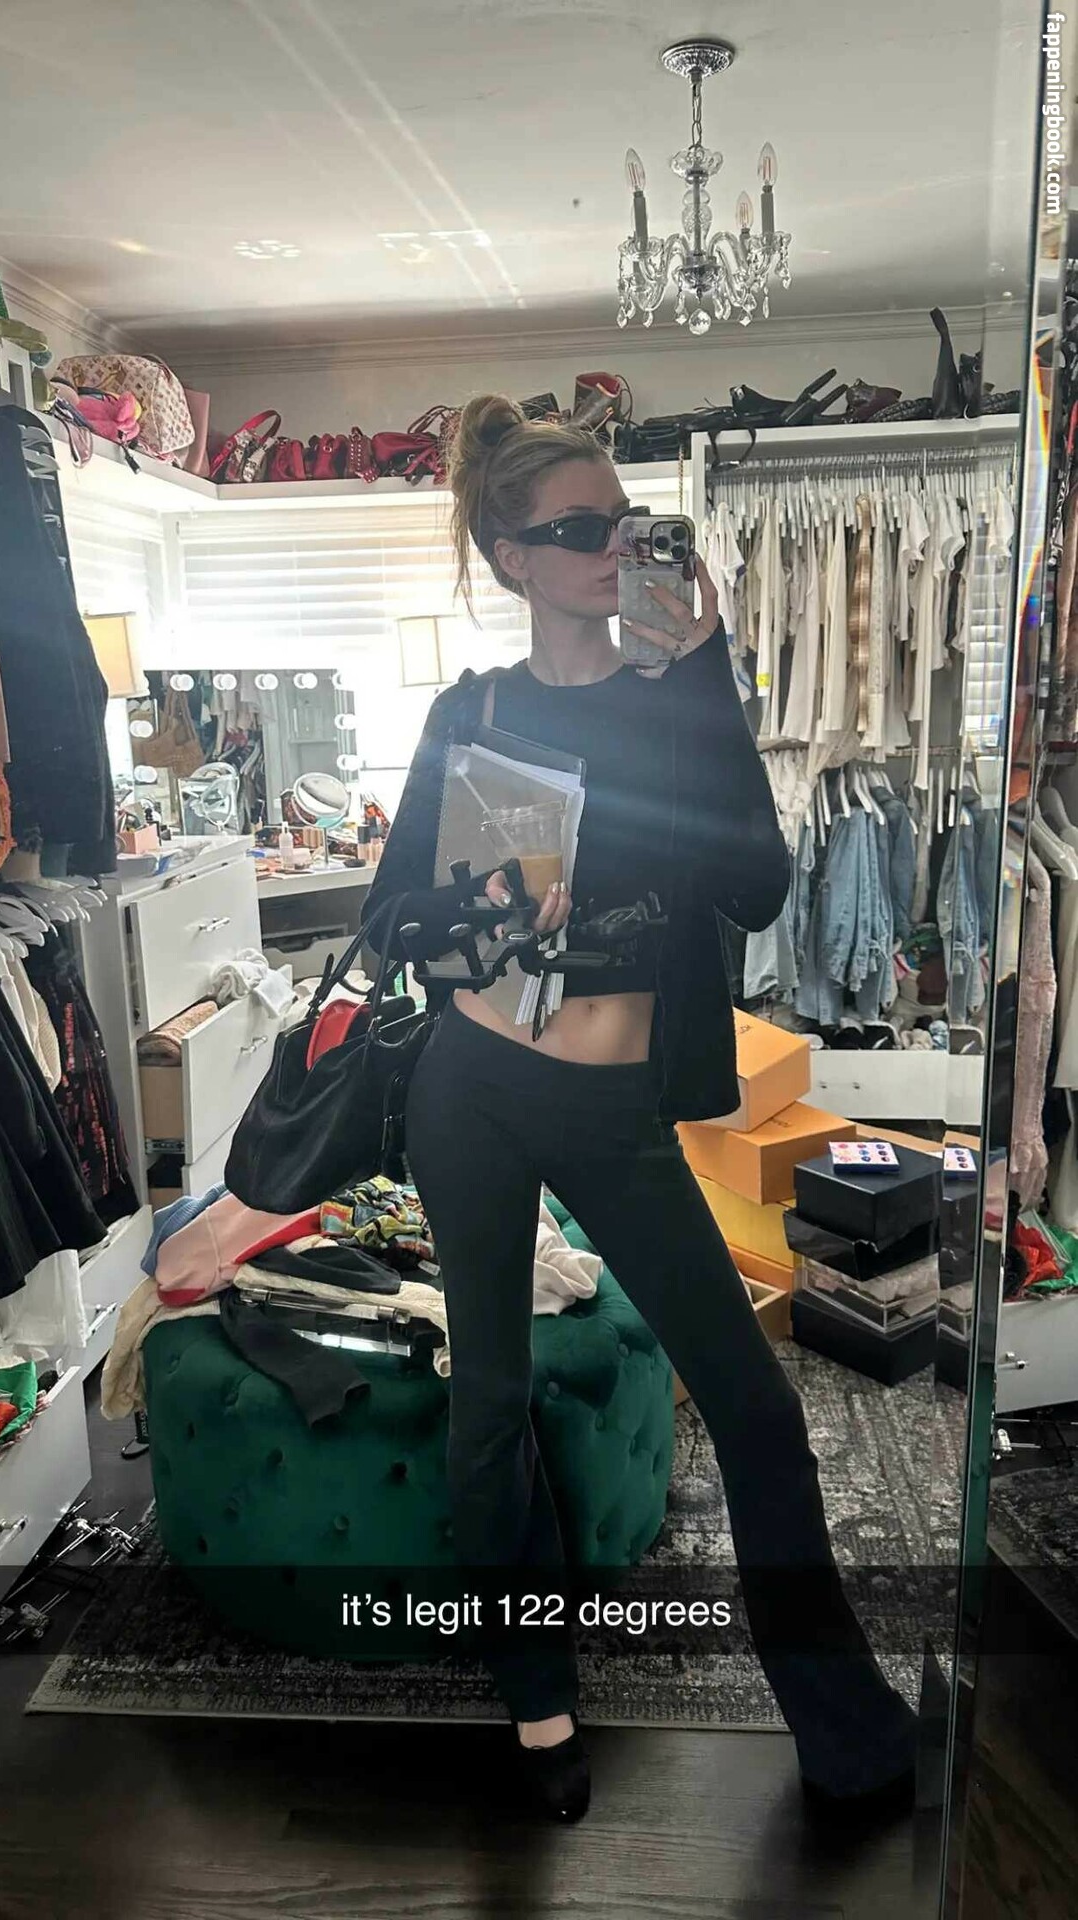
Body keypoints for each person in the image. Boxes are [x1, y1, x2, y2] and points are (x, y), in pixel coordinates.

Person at [360, 394, 917, 1824]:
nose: (618, 546)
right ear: (513, 558)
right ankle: (536, 1709)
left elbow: (759, 891)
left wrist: (705, 671)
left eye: (628, 521)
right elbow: (393, 921)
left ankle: (845, 1729)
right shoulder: (470, 713)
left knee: (754, 1408)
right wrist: (489, 903)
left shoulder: (676, 700)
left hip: (613, 1110)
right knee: (489, 1403)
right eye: (582, 529)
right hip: (473, 1090)